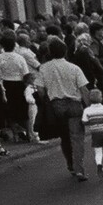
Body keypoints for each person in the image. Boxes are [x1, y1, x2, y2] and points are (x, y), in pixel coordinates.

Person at [33, 37, 90, 181]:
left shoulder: (44, 68)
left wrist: (46, 99)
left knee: (65, 138)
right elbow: (84, 89)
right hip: (74, 104)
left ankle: (70, 165)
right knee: (77, 138)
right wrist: (89, 107)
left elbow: (40, 90)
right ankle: (79, 168)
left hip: (57, 106)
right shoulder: (74, 67)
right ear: (65, 52)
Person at [81, 88, 103, 177]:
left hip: (95, 133)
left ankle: (99, 164)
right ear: (101, 98)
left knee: (98, 151)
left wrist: (91, 122)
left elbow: (84, 121)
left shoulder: (87, 110)